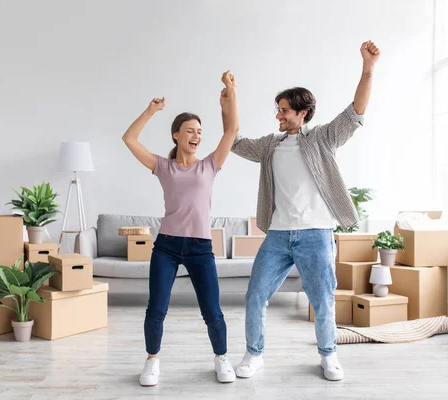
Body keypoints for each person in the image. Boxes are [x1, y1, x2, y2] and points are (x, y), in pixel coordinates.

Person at [231, 40, 381, 381]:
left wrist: (368, 68)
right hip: (279, 234)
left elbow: (355, 112)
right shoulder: (270, 146)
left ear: (302, 113)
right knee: (255, 294)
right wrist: (231, 96)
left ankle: (328, 356)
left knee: (322, 299)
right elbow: (234, 141)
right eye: (278, 109)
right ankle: (254, 354)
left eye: (284, 110)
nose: (279, 115)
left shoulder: (323, 139)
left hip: (316, 233)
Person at [122, 70, 240, 386]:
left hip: (201, 247)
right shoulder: (163, 166)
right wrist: (151, 111)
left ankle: (221, 358)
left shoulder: (210, 165)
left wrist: (229, 93)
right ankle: (151, 362)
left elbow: (232, 129)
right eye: (190, 130)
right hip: (167, 246)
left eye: (199, 131)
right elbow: (129, 139)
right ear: (176, 135)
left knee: (212, 311)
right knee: (156, 308)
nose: (197, 135)